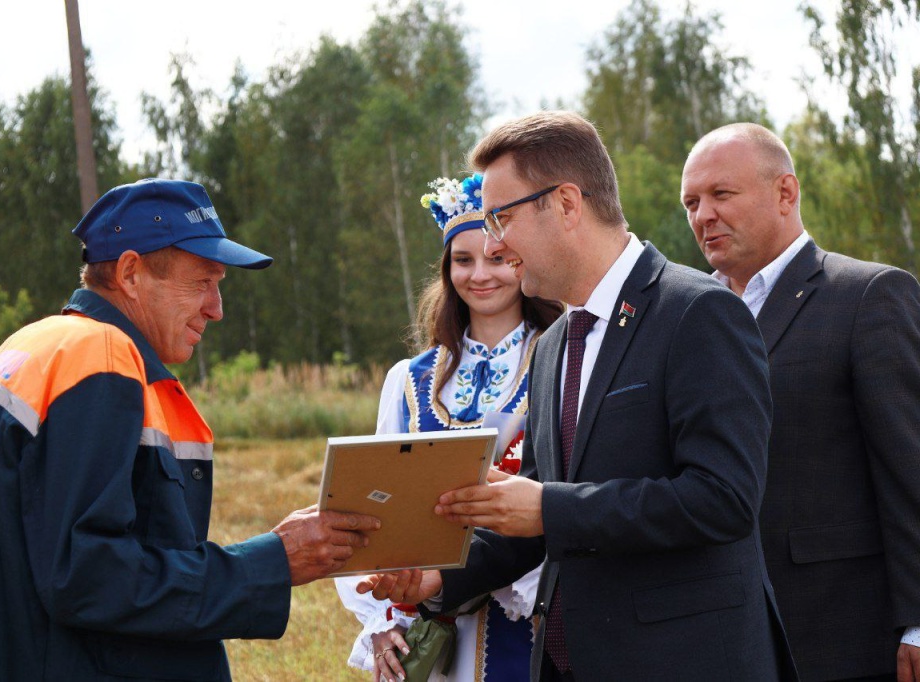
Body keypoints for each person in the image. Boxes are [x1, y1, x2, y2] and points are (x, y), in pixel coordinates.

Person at [358, 111, 799, 681]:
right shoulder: (555, 345)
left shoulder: (698, 313)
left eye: (501, 218)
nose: (493, 243)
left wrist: (547, 506)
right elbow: (536, 524)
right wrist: (440, 579)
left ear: (566, 203)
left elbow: (723, 499)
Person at [0, 178, 380, 681]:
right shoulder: (102, 357)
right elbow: (88, 577)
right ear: (131, 272)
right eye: (201, 283)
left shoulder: (31, 347)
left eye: (219, 285)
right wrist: (270, 563)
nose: (217, 308)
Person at [680, 123, 920, 682]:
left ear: (785, 193)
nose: (703, 215)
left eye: (721, 194)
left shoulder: (868, 296)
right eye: (692, 202)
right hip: (719, 639)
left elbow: (910, 469)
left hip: (842, 637)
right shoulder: (687, 314)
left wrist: (918, 620)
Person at [335, 172, 562, 681]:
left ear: (521, 259)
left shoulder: (560, 358)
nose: (480, 274)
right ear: (446, 269)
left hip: (527, 614)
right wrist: (381, 617)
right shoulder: (410, 379)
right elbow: (370, 501)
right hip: (430, 623)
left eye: (497, 257)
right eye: (463, 260)